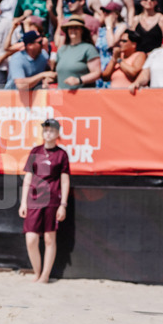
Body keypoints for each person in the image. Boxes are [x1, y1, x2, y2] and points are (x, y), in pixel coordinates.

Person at [18, 118, 70, 284]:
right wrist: (23, 202)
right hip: (34, 199)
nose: (48, 132)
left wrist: (63, 205)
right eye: (46, 129)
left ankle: (45, 276)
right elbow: (27, 177)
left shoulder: (62, 154)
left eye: (52, 130)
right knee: (31, 239)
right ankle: (37, 271)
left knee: (49, 238)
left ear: (57, 133)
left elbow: (65, 181)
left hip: (53, 199)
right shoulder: (35, 151)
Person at [52, 18, 100, 89]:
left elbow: (97, 73)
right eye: (70, 28)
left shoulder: (89, 48)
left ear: (82, 30)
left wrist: (79, 80)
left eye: (76, 28)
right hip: (62, 96)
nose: (73, 30)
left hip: (82, 96)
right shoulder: (61, 49)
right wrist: (50, 78)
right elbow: (61, 72)